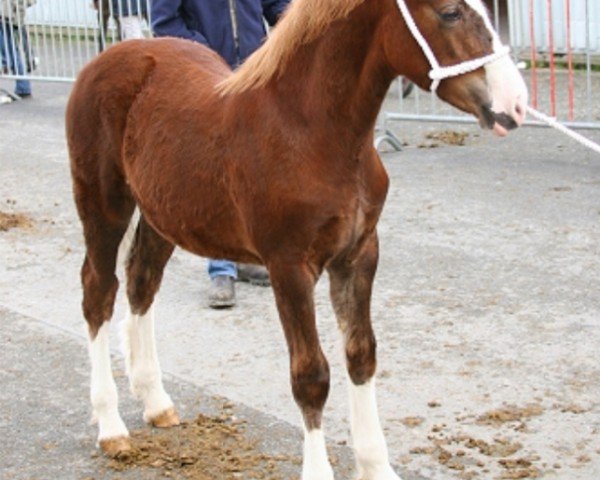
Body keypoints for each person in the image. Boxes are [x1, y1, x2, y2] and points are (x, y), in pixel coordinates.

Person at [151, 0, 290, 308]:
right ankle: (221, 268)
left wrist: (292, 24)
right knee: (219, 176)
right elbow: (164, 22)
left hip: (256, 72)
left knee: (256, 172)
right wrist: (207, 54)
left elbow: (275, 5)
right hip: (208, 80)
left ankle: (246, 254)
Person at [0, 0, 36, 100]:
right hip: (8, 16)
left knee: (10, 51)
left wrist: (13, 8)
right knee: (11, 50)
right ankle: (23, 87)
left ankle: (23, 86)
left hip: (9, 17)